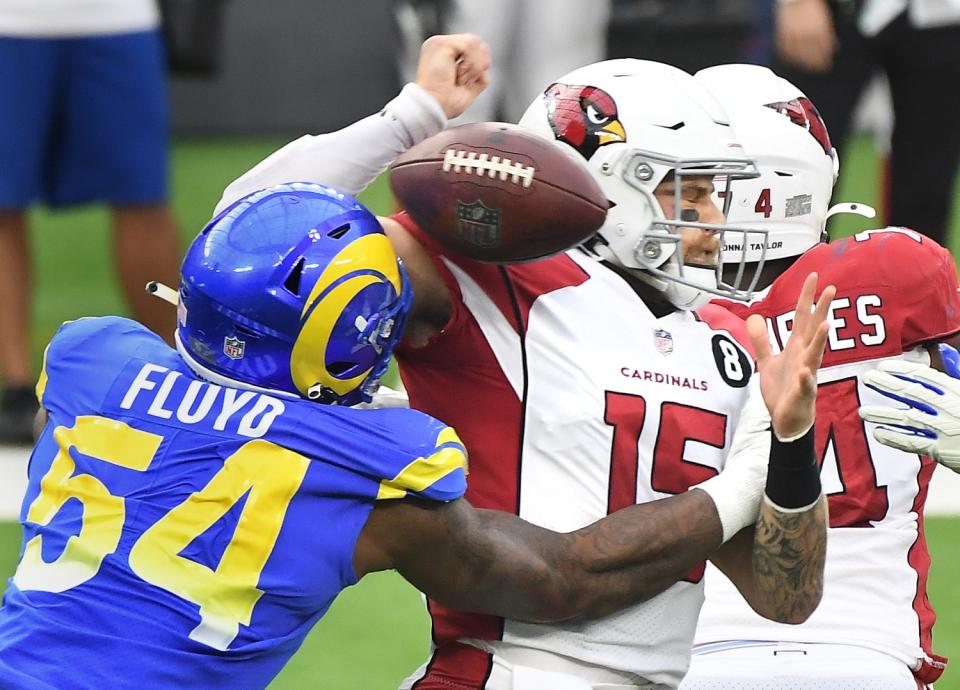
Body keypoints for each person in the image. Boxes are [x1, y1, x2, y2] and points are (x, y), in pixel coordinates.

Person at [217, 44, 833, 690]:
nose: (715, 222)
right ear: (611, 186)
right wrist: (411, 118)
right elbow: (252, 227)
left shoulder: (732, 341)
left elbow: (784, 596)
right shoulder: (492, 280)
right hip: (506, 670)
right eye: (693, 192)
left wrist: (788, 446)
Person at [678, 63, 960, 690]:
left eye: (692, 183)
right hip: (872, 655)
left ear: (758, 191)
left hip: (691, 653)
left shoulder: (642, 315)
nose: (673, 202)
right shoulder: (897, 273)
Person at [0, 0, 181, 444]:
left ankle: (176, 375)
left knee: (143, 195)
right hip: (9, 20)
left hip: (118, 16)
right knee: (2, 203)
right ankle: (18, 391)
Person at [772, 0, 960, 246]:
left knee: (927, 193)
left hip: (939, 14)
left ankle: (913, 282)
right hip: (835, 11)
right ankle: (786, 282)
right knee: (798, 175)